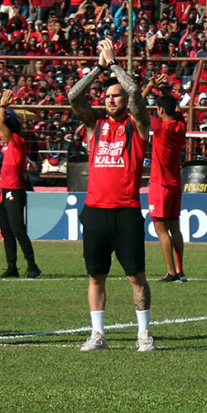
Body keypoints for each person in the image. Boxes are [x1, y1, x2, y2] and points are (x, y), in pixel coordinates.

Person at [67, 39, 155, 352]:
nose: (110, 100)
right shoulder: (95, 125)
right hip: (95, 211)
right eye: (106, 97)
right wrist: (98, 69)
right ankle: (97, 335)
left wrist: (115, 65)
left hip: (126, 211)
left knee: (135, 277)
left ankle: (144, 334)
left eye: (114, 96)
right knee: (96, 276)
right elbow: (73, 96)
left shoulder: (137, 125)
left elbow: (134, 92)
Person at [143, 74, 188, 283]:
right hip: (175, 183)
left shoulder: (159, 127)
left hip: (159, 184)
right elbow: (175, 108)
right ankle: (180, 270)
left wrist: (149, 87)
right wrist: (165, 92)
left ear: (160, 110)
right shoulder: (180, 126)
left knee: (161, 230)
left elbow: (134, 108)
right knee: (175, 228)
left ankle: (171, 272)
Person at [0, 89, 41, 279]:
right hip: (4, 189)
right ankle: (11, 266)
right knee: (7, 230)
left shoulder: (17, 141)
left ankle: (32, 265)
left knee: (17, 229)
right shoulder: (9, 144)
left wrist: (3, 105)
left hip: (14, 189)